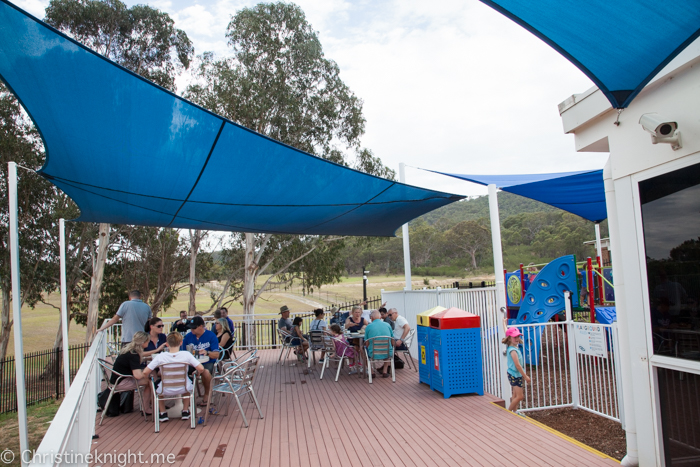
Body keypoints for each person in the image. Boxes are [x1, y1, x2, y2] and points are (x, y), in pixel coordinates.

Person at [143, 332, 205, 422]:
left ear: (167, 344)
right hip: (184, 388)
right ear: (181, 343)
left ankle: (163, 412)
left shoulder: (161, 356)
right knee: (188, 383)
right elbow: (201, 368)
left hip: (165, 389)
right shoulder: (186, 355)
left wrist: (149, 377)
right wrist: (197, 372)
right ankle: (185, 410)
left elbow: (145, 372)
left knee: (158, 390)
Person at [110, 331, 153, 415]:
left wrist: (147, 359)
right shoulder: (134, 355)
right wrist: (147, 371)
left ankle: (147, 406)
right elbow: (138, 376)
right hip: (120, 382)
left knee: (148, 378)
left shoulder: (129, 350)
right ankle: (146, 408)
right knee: (149, 382)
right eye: (148, 341)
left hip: (116, 379)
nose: (148, 342)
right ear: (142, 342)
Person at [181, 316, 218, 406]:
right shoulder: (188, 336)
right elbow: (182, 352)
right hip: (191, 363)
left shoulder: (211, 335)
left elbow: (216, 354)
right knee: (182, 371)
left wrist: (207, 352)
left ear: (201, 326)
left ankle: (207, 394)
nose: (192, 330)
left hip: (207, 362)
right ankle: (186, 398)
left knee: (205, 372)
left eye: (194, 327)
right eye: (191, 327)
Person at [502, 327, 530, 412]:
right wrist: (525, 376)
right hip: (514, 374)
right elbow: (517, 365)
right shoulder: (512, 350)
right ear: (509, 338)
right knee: (520, 396)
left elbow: (506, 331)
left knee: (515, 394)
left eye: (518, 336)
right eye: (515, 337)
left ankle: (515, 412)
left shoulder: (513, 346)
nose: (517, 339)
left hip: (515, 374)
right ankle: (508, 412)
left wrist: (503, 322)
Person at [363, 310, 394, 378]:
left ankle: (372, 372)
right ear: (380, 317)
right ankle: (385, 371)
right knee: (388, 348)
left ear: (371, 318)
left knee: (363, 352)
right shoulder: (387, 325)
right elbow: (392, 340)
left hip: (373, 353)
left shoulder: (368, 327)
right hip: (387, 352)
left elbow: (367, 343)